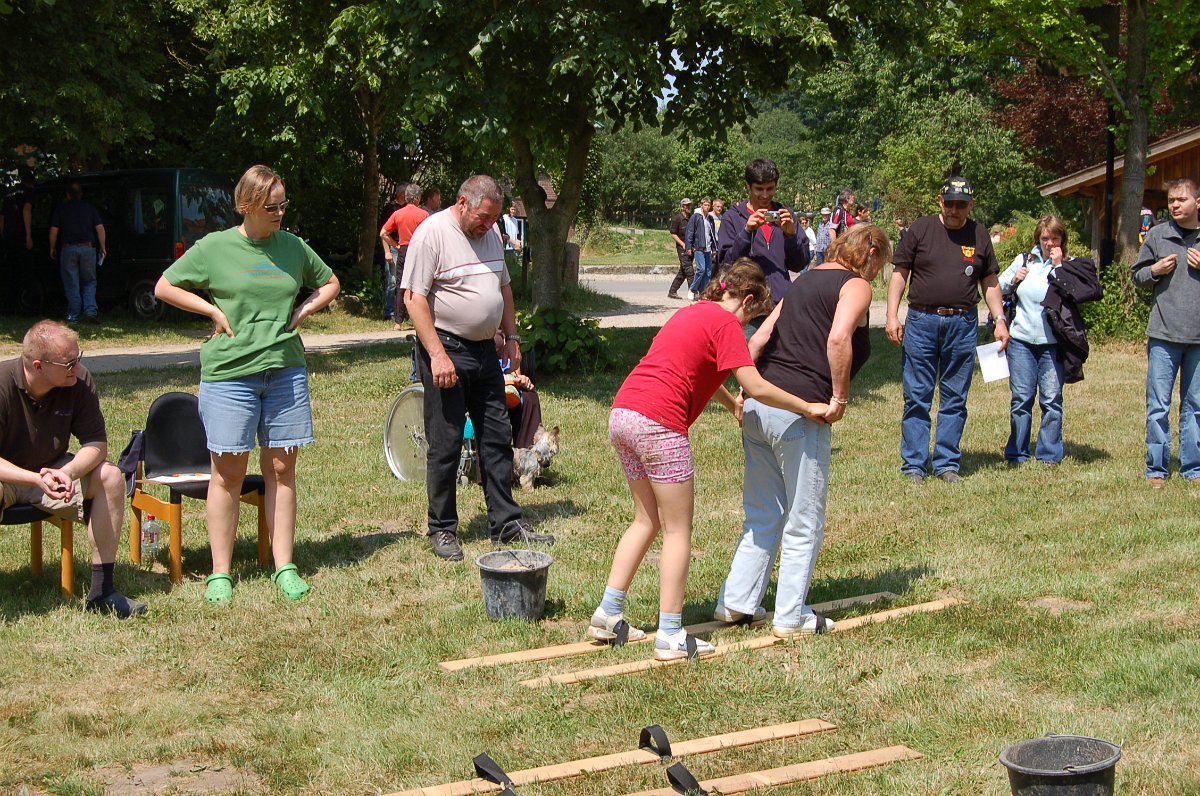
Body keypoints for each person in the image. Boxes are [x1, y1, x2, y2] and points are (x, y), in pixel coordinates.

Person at [588, 259, 829, 661]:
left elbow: (696, 369)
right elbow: (753, 384)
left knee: (646, 519)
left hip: (624, 414)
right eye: (755, 312)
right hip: (659, 424)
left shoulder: (692, 314)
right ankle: (670, 635)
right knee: (678, 531)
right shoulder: (727, 325)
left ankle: (608, 613)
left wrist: (729, 401)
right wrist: (805, 406)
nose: (752, 320)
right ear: (747, 299)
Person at [154, 165, 341, 604]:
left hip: (285, 371)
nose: (279, 213)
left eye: (283, 205)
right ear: (247, 206)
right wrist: (213, 312)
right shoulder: (215, 248)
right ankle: (221, 573)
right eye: (271, 206)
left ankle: (284, 566)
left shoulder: (292, 247)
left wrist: (302, 312)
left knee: (282, 469)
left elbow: (330, 282)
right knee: (228, 472)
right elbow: (165, 286)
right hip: (230, 375)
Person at [716, 224, 891, 637]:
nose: (877, 275)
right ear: (870, 252)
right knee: (804, 517)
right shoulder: (854, 285)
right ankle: (790, 616)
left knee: (763, 511)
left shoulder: (803, 280)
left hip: (761, 407)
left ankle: (737, 602)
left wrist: (746, 392)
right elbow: (837, 338)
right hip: (800, 411)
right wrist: (839, 399)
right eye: (879, 265)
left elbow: (757, 339)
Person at [402, 174, 555, 561]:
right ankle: (442, 528)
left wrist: (513, 336)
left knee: (496, 438)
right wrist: (437, 355)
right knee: (447, 442)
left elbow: (503, 287)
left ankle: (505, 522)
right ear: (462, 202)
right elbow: (413, 299)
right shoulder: (431, 233)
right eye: (484, 218)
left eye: (494, 219)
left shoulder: (488, 234)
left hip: (487, 350)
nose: (488, 226)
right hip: (446, 347)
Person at [0, 321, 146, 617]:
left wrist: (67, 473)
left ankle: (102, 592)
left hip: (54, 469)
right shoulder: (2, 384)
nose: (77, 369)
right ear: (38, 366)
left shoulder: (77, 381)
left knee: (110, 476)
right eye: (69, 363)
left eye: (79, 359)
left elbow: (96, 445)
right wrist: (34, 479)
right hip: (8, 474)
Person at [885, 176, 1008, 483]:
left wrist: (1000, 320)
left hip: (962, 324)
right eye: (950, 203)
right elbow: (900, 274)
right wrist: (891, 315)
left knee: (955, 397)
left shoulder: (978, 234)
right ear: (940, 201)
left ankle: (947, 464)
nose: (955, 210)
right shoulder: (920, 229)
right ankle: (914, 465)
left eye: (961, 205)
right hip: (921, 321)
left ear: (971, 204)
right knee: (917, 395)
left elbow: (990, 281)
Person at [1130, 177, 1200, 488]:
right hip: (1163, 334)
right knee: (1158, 405)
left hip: (1198, 338)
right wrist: (1154, 271)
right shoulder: (1158, 235)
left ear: (1197, 202)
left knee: (1195, 405)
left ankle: (1193, 468)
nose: (1174, 205)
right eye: (1171, 200)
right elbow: (1138, 277)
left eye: (1181, 200)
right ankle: (1156, 469)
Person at [998, 216, 1069, 465]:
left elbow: (1075, 292)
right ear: (1038, 240)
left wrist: (1059, 267)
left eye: (1054, 238)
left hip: (1053, 343)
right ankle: (1017, 452)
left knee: (1051, 400)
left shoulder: (1069, 264)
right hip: (1021, 341)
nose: (1049, 243)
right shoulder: (1024, 260)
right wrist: (1014, 278)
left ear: (1062, 240)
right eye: (1045, 238)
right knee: (1021, 398)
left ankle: (1049, 454)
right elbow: (997, 286)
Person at [715, 159, 809, 308]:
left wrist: (790, 237)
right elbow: (726, 264)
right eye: (759, 189)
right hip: (747, 308)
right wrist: (746, 233)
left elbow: (799, 265)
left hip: (781, 305)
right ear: (749, 186)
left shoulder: (786, 215)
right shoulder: (732, 218)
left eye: (770, 188)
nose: (765, 195)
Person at [48, 182, 106, 324]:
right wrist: (103, 247)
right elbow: (100, 228)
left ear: (67, 195)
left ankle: (73, 316)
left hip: (68, 249)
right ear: (81, 194)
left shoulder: (61, 209)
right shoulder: (89, 208)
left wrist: (52, 247)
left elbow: (54, 230)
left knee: (71, 283)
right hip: (88, 248)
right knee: (89, 281)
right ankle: (90, 311)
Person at [381, 183, 429, 330]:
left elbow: (383, 233)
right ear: (417, 198)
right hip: (418, 251)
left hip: (403, 250)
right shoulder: (424, 215)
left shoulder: (398, 214)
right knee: (419, 286)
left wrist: (395, 246)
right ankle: (417, 320)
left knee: (401, 285)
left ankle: (398, 322)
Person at [2, 175, 35, 312]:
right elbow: (26, 211)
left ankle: (9, 307)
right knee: (26, 272)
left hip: (9, 237)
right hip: (20, 236)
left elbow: (1, 218)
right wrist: (28, 235)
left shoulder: (9, 195)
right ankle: (30, 306)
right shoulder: (28, 193)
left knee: (10, 273)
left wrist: (3, 237)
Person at [378, 185, 407, 322]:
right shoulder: (389, 208)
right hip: (393, 247)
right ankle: (389, 312)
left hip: (405, 247)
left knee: (404, 282)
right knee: (392, 281)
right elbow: (384, 231)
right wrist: (387, 251)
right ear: (401, 194)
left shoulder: (408, 207)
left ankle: (401, 313)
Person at [686, 197, 717, 298]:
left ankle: (703, 293)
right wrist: (688, 247)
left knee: (708, 272)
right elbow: (690, 232)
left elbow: (712, 234)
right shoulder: (696, 217)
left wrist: (714, 248)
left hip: (708, 248)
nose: (707, 207)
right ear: (701, 205)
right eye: (705, 205)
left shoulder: (710, 218)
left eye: (708, 205)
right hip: (698, 247)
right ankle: (692, 289)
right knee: (701, 269)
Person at [667, 198, 695, 300]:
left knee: (683, 271)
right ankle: (692, 292)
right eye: (687, 206)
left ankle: (672, 291)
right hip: (682, 248)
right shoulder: (677, 219)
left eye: (690, 205)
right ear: (682, 207)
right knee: (689, 270)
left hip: (691, 248)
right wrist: (682, 244)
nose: (689, 207)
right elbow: (673, 234)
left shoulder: (692, 218)